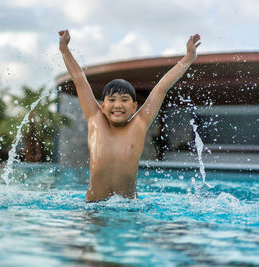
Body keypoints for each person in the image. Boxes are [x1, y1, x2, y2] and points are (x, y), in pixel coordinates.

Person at [59, 30, 201, 202]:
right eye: (112, 100)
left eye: (124, 100)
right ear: (102, 106)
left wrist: (187, 59)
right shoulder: (95, 120)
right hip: (93, 208)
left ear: (134, 106)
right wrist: (64, 49)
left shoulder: (139, 124)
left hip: (128, 209)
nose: (118, 105)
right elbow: (79, 80)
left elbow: (161, 88)